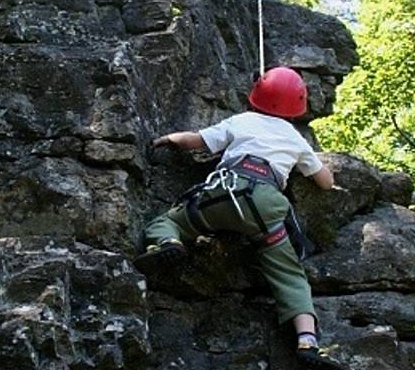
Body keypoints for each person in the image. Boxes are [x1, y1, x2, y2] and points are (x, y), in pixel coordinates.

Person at [134, 67, 347, 369]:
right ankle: (307, 340)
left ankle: (169, 240)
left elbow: (196, 140)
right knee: (289, 275)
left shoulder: (243, 121)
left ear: (256, 96)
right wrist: (330, 173)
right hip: (264, 211)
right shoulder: (296, 139)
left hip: (224, 194)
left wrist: (169, 138)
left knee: (168, 220)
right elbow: (324, 182)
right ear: (297, 106)